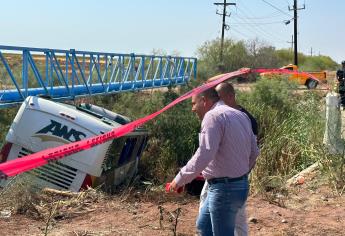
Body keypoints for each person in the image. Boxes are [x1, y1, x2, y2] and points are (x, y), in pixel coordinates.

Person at [169, 88, 259, 236]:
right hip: (237, 186)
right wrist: (239, 175)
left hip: (224, 189)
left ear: (204, 101)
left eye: (193, 103)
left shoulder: (212, 116)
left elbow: (204, 153)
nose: (192, 109)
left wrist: (180, 179)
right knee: (204, 226)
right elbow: (255, 151)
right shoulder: (241, 115)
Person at [199, 82, 259, 236]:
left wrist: (240, 175)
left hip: (231, 180)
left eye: (220, 97)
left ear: (231, 96)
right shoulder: (223, 116)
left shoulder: (245, 118)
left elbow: (251, 152)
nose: (217, 101)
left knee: (237, 220)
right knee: (206, 222)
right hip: (221, 178)